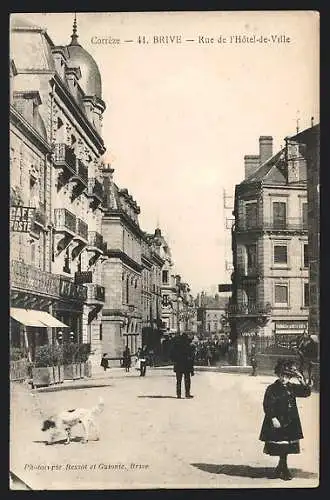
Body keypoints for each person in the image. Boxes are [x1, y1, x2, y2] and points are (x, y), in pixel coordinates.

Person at [259, 358, 311, 481]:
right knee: (279, 445)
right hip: (277, 420)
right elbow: (267, 404)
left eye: (287, 376)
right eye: (282, 376)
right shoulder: (272, 388)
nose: (284, 379)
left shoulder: (292, 387)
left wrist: (301, 380)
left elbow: (306, 393)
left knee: (286, 446)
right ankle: (283, 468)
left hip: (290, 420)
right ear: (278, 375)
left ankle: (282, 467)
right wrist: (272, 418)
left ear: (290, 377)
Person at [171, 333, 195, 399]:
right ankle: (187, 394)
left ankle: (178, 394)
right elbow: (191, 358)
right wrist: (192, 369)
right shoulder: (189, 346)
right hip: (187, 365)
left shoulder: (176, 345)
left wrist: (175, 361)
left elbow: (172, 355)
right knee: (187, 380)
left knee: (178, 380)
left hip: (178, 365)